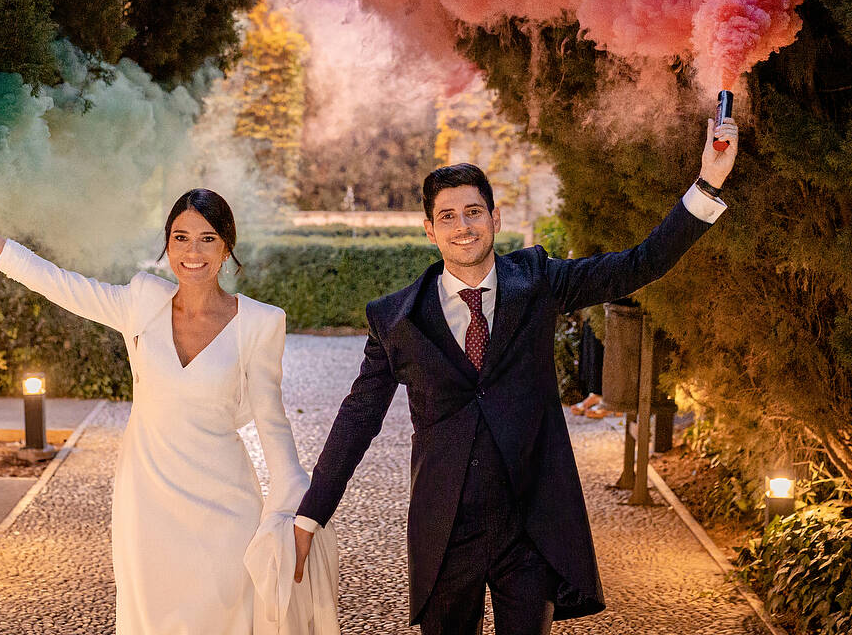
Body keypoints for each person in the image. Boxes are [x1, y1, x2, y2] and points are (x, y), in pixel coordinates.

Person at [291, 116, 739, 634]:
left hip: (531, 524)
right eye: (449, 216)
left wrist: (708, 184)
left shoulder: (540, 282)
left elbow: (638, 264)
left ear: (495, 219)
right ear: (429, 229)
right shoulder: (398, 319)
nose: (464, 226)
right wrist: (310, 514)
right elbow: (358, 418)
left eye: (474, 212)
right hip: (445, 528)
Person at [0, 187, 337, 635]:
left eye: (207, 238)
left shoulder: (259, 322)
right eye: (180, 237)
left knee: (225, 617)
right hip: (147, 508)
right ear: (167, 243)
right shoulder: (141, 303)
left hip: (226, 511)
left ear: (227, 246)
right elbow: (49, 278)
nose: (192, 252)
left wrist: (299, 513)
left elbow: (275, 430)